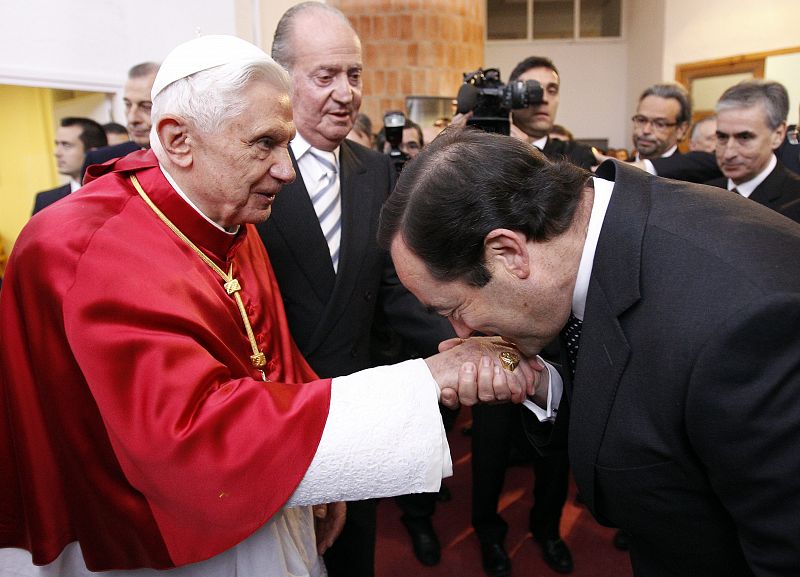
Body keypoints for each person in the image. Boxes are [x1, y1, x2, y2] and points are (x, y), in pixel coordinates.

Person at [0, 36, 536, 577]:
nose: (287, 169)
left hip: (262, 489)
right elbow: (188, 440)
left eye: (286, 144)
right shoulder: (80, 247)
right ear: (179, 140)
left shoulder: (228, 215)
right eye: (265, 144)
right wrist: (424, 381)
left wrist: (323, 479)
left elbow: (275, 361)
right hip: (156, 536)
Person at [378, 125, 800, 577]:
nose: (461, 332)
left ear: (508, 252)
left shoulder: (745, 325)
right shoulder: (593, 242)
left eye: (455, 309)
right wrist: (538, 382)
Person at [261, 3, 455, 573]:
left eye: (354, 74)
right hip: (279, 414)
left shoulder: (377, 172)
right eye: (326, 76)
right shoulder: (251, 168)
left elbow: (395, 290)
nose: (345, 93)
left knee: (352, 557)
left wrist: (463, 342)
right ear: (283, 80)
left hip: (358, 411)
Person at [471, 54, 584, 577]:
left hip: (563, 330)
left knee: (558, 447)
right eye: (530, 89)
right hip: (494, 329)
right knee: (490, 445)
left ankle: (546, 528)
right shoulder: (480, 155)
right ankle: (486, 532)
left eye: (551, 89)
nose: (541, 99)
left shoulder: (578, 160)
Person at [704, 80, 800, 223]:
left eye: (744, 137)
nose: (729, 154)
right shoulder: (703, 194)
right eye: (722, 137)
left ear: (778, 135)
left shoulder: (795, 201)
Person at [508, 56, 596, 170]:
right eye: (533, 91)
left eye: (552, 91)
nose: (544, 99)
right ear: (513, 97)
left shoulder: (578, 155)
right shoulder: (488, 149)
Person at [81, 62, 159, 179]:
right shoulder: (101, 163)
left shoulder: (188, 158)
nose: (132, 118)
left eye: (146, 107)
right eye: (128, 105)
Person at [32, 116, 107, 214]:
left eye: (66, 145)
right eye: (57, 144)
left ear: (92, 152)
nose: (57, 153)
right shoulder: (45, 201)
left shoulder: (116, 193)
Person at [631, 82, 690, 161]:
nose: (646, 130)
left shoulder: (689, 168)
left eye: (659, 124)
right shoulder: (617, 167)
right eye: (641, 120)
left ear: (681, 130)